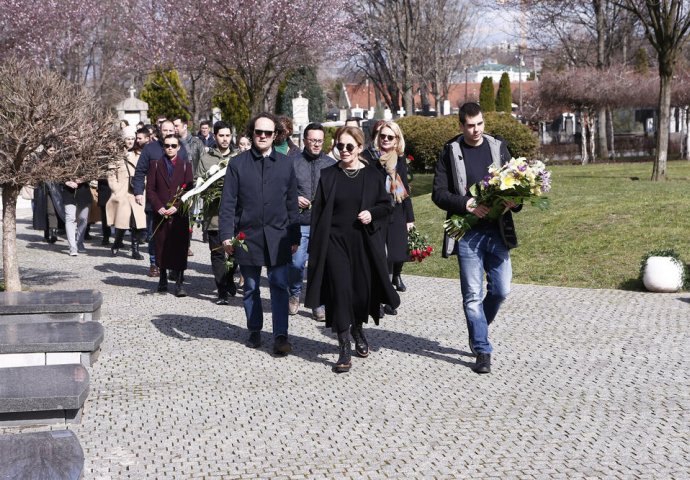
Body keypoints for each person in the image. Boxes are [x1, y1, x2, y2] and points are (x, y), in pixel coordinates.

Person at [431, 102, 519, 375]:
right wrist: (467, 204)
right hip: (467, 233)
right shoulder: (451, 151)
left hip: (497, 231)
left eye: (479, 123)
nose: (476, 130)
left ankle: (477, 326)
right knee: (472, 296)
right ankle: (482, 349)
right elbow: (438, 193)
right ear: (461, 126)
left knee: (501, 290)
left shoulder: (497, 147)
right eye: (470, 125)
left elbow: (517, 186)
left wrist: (512, 203)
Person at [305, 126, 400, 373]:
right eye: (340, 146)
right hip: (334, 243)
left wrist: (372, 213)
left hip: (362, 242)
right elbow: (318, 214)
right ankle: (344, 347)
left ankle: (358, 328)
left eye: (349, 146)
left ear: (359, 148)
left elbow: (386, 205)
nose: (344, 151)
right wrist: (314, 248)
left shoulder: (372, 175)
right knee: (340, 291)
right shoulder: (328, 175)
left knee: (359, 293)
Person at [218, 112, 300, 356]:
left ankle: (280, 335)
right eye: (258, 132)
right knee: (251, 286)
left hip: (278, 235)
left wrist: (294, 236)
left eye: (268, 132)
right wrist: (226, 235)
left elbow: (292, 202)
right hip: (248, 236)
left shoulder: (286, 163)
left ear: (276, 135)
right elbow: (228, 202)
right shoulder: (238, 164)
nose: (262, 136)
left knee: (278, 285)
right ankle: (254, 329)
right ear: (251, 133)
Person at [362, 121, 414, 313]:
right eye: (382, 136)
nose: (385, 140)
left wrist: (410, 219)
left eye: (389, 137)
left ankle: (386, 292)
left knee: (395, 254)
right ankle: (385, 299)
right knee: (378, 256)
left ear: (397, 140)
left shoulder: (399, 159)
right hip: (375, 211)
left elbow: (405, 189)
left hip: (396, 211)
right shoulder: (369, 156)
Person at [288, 123, 335, 321]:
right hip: (301, 222)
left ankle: (318, 303)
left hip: (323, 223)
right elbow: (282, 189)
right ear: (305, 140)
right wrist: (295, 198)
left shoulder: (331, 164)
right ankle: (294, 293)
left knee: (320, 266)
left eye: (319, 141)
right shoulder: (292, 162)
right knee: (297, 263)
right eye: (312, 140)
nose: (316, 144)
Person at [132, 120, 188, 277]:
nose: (168, 132)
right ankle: (154, 263)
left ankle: (171, 265)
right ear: (159, 131)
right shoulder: (150, 149)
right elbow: (140, 171)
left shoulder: (181, 148)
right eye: (165, 130)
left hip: (175, 200)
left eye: (171, 129)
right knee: (154, 233)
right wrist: (138, 191)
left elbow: (186, 173)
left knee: (173, 235)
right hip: (154, 201)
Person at [146, 134, 193, 296]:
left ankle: (179, 282)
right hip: (161, 212)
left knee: (179, 247)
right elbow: (151, 189)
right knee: (161, 246)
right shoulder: (156, 165)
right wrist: (158, 206)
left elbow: (189, 189)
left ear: (179, 147)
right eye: (167, 145)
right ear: (163, 147)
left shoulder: (186, 165)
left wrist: (178, 206)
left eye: (173, 145)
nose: (170, 148)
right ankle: (163, 278)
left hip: (179, 214)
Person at [196, 121, 237, 304]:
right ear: (214, 136)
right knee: (218, 253)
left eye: (228, 135)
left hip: (236, 215)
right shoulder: (206, 158)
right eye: (221, 135)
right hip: (214, 215)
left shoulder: (239, 157)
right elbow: (198, 183)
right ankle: (221, 290)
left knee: (235, 252)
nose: (225, 139)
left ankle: (229, 278)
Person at [107, 127, 148, 259]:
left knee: (136, 222)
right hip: (122, 191)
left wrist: (143, 184)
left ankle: (135, 249)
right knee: (122, 221)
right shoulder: (116, 155)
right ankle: (117, 242)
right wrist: (116, 188)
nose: (130, 141)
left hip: (137, 191)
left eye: (132, 138)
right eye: (127, 138)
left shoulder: (141, 154)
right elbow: (111, 174)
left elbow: (146, 171)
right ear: (123, 140)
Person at [62, 177, 93, 256]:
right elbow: (55, 173)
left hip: (83, 191)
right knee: (70, 218)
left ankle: (79, 242)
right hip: (68, 192)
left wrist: (84, 179)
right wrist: (66, 182)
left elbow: (93, 173)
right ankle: (72, 246)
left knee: (83, 218)